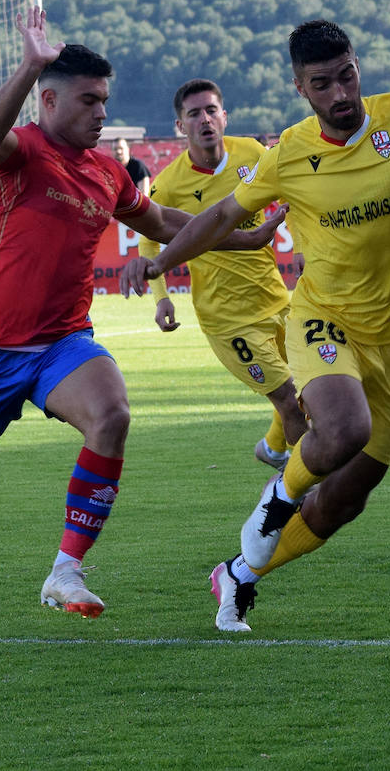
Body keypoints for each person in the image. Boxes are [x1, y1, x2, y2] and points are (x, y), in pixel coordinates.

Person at [121, 19, 390, 633]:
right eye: (322, 84)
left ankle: (238, 576)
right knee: (339, 429)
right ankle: (276, 501)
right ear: (300, 88)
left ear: (357, 66)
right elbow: (222, 216)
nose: (340, 94)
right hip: (323, 316)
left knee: (344, 499)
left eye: (346, 76)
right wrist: (161, 263)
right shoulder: (289, 155)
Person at [0, 7, 284, 621]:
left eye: (105, 100)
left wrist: (247, 237)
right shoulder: (24, 153)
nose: (102, 112)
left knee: (112, 414)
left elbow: (165, 224)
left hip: (63, 341)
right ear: (47, 101)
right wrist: (28, 64)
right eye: (90, 100)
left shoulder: (107, 170)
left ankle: (66, 570)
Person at [138, 78, 305, 479]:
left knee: (308, 391)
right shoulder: (169, 183)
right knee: (289, 398)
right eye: (194, 114)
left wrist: (299, 247)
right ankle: (309, 480)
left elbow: (292, 199)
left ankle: (272, 448)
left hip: (277, 299)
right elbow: (148, 243)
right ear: (181, 126)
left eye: (211, 110)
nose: (205, 120)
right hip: (228, 320)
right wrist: (161, 296)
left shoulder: (253, 154)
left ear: (224, 116)